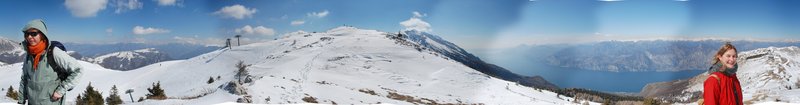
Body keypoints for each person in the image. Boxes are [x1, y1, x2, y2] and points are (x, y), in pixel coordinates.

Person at [17, 19, 83, 105]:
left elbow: (78, 70)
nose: (29, 37)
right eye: (27, 34)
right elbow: (25, 78)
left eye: (33, 33)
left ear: (42, 35)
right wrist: (21, 100)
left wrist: (60, 91)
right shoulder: (29, 54)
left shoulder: (54, 52)